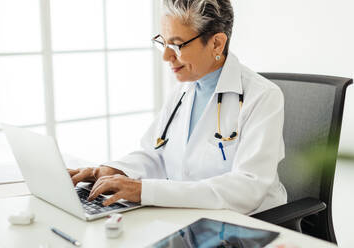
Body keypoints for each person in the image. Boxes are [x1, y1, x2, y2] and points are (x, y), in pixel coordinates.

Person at [68, 0, 287, 215]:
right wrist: (110, 171)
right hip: (188, 215)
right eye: (163, 42)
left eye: (177, 45)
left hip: (250, 224)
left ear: (217, 44)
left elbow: (247, 189)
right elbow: (155, 154)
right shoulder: (184, 89)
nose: (166, 56)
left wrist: (145, 190)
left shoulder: (262, 96)